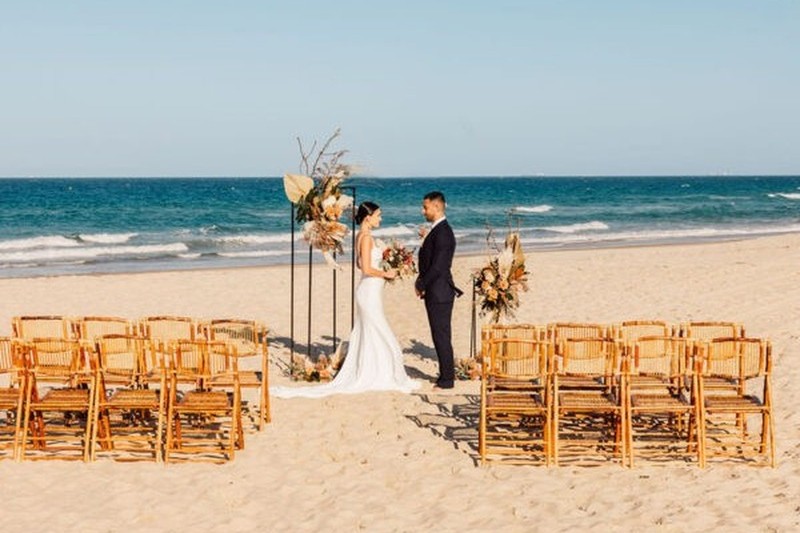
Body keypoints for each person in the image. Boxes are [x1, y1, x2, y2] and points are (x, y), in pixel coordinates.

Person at [272, 201, 420, 398]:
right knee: (382, 333)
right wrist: (387, 274)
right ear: (368, 217)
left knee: (370, 333)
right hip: (369, 292)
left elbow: (360, 266)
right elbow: (366, 269)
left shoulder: (361, 236)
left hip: (368, 290)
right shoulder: (366, 238)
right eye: (378, 215)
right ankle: (380, 373)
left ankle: (374, 370)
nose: (381, 218)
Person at [415, 191, 462, 389]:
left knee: (441, 335)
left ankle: (446, 379)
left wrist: (421, 283)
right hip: (437, 290)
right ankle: (446, 375)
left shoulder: (443, 232)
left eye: (425, 207)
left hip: (440, 291)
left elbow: (438, 266)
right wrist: (426, 238)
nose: (422, 210)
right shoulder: (437, 230)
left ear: (436, 207)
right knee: (439, 334)